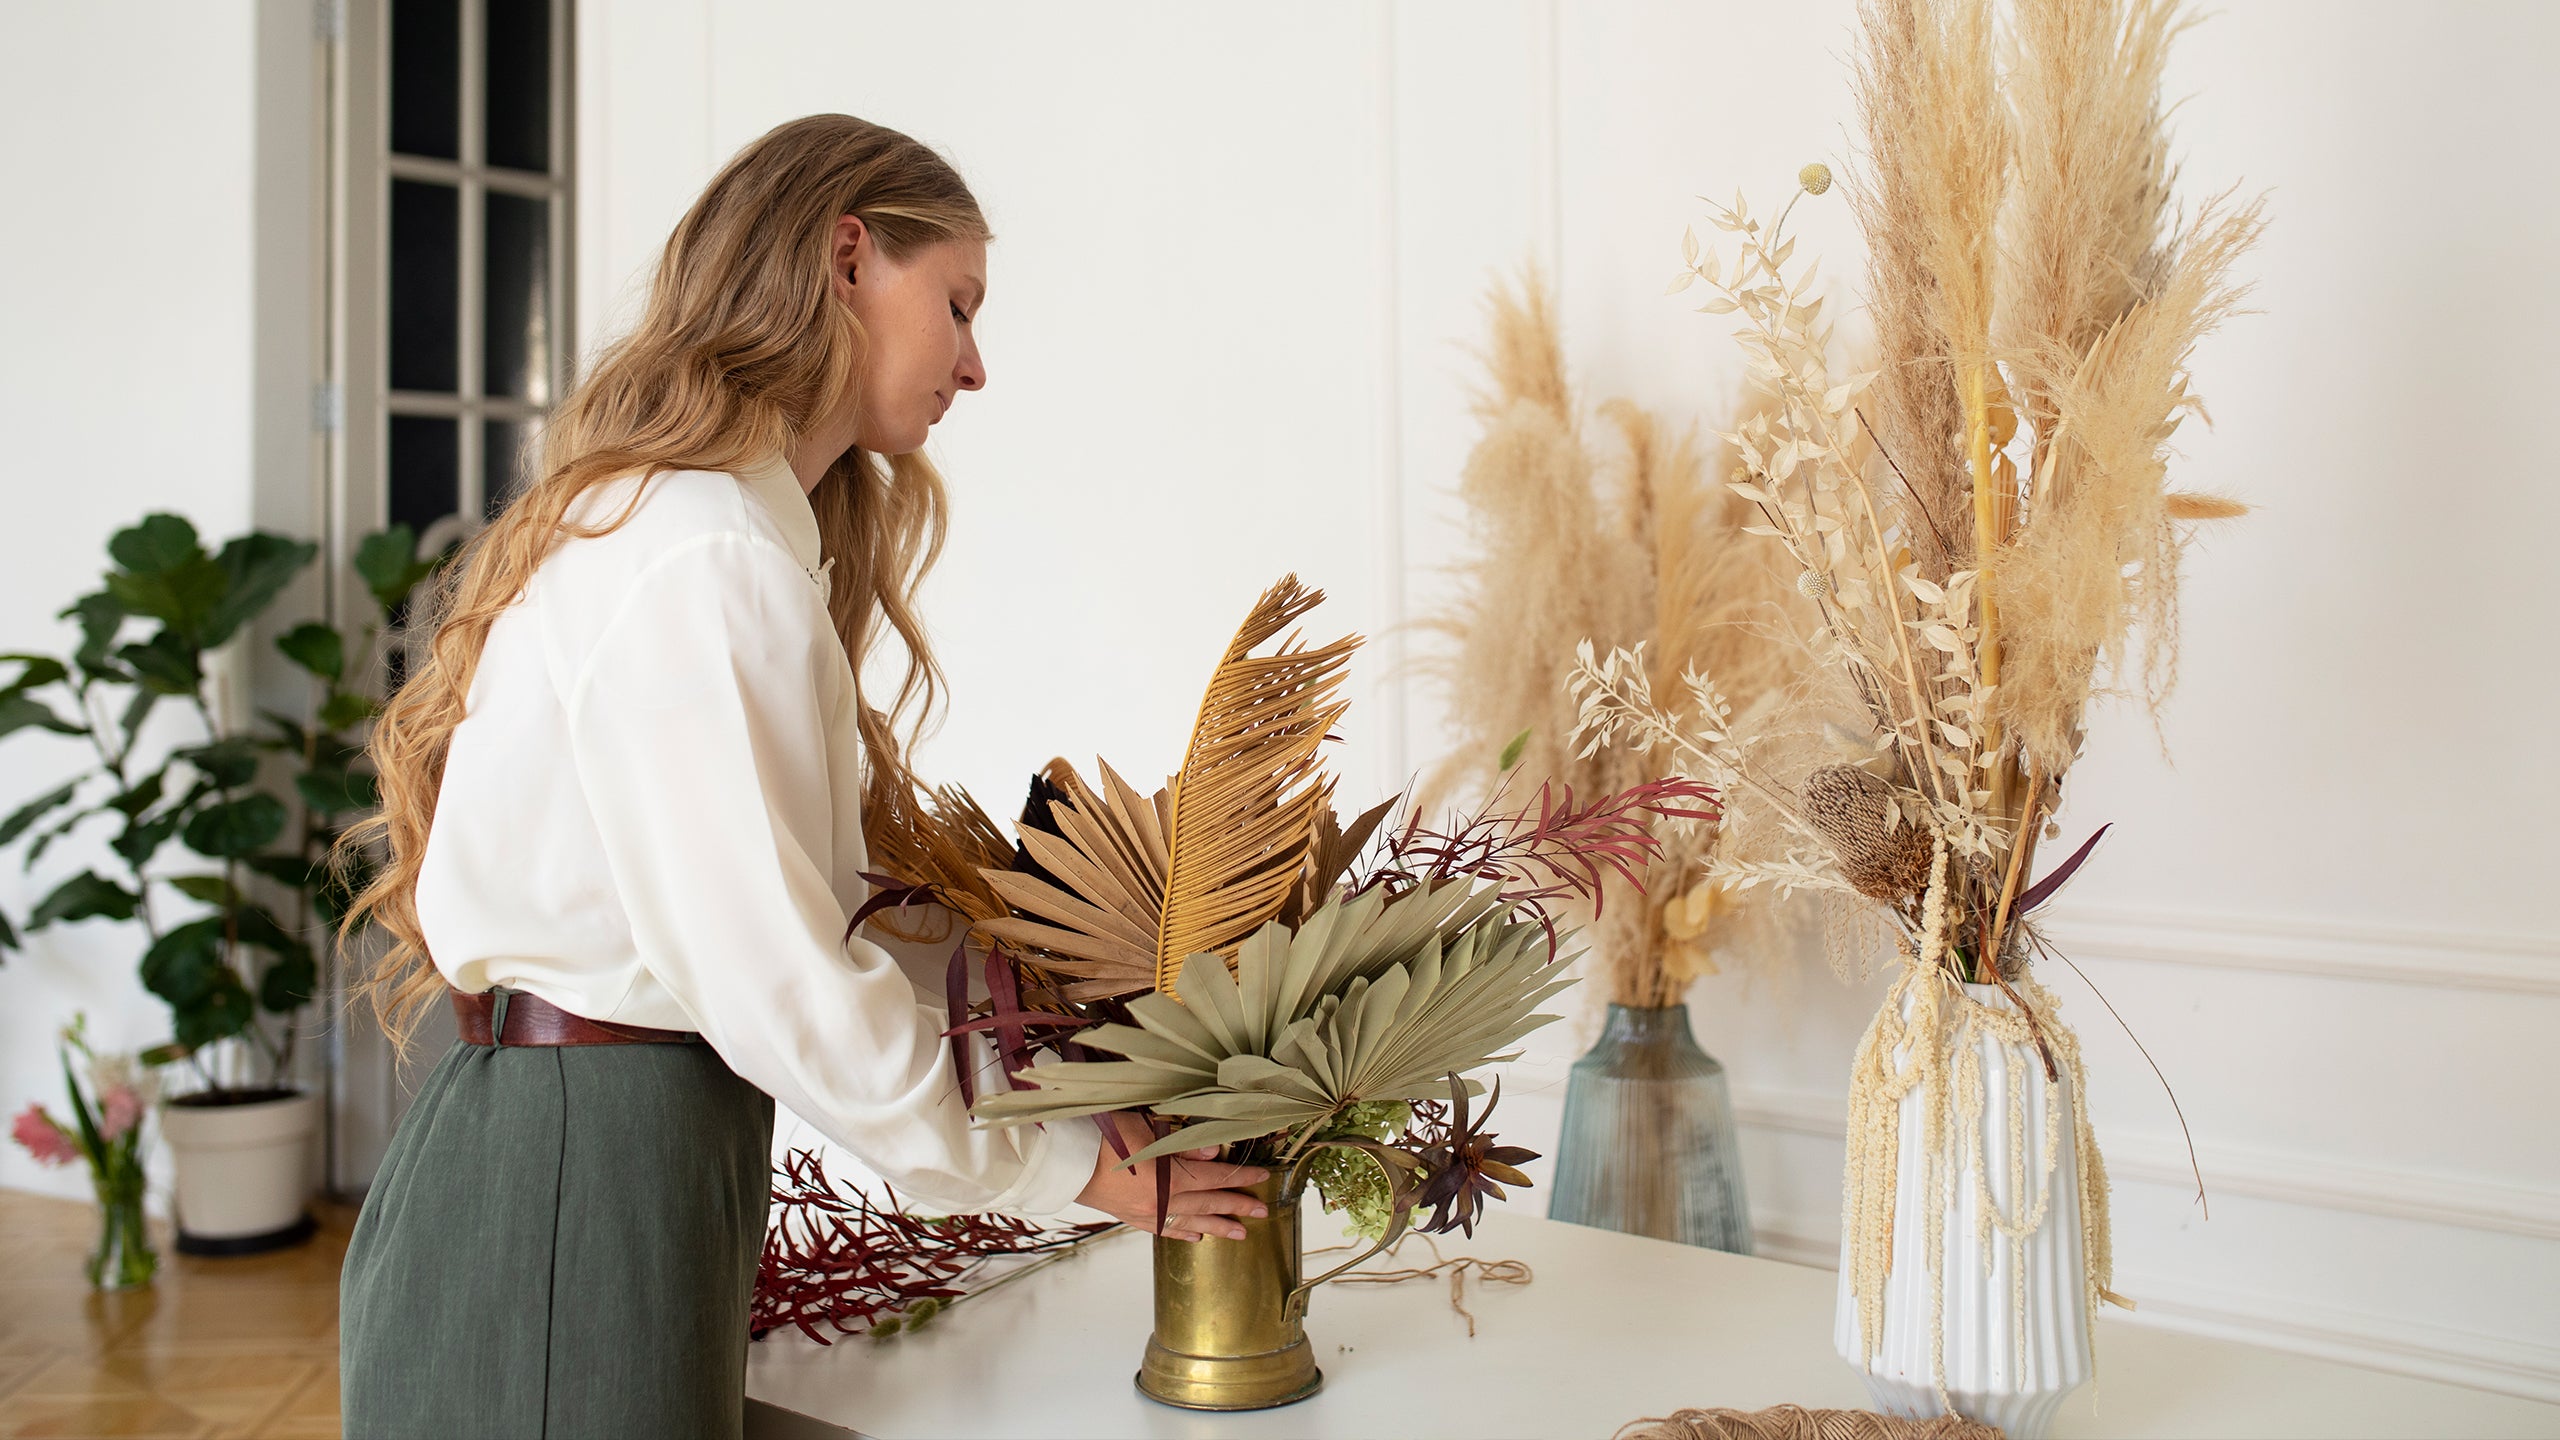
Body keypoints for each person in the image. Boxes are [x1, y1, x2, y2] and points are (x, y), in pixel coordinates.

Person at [335, 113, 1269, 1439]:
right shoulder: (701, 553)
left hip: (618, 1155)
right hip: (573, 1179)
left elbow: (817, 927)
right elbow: (783, 982)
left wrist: (1074, 1045)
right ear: (846, 260)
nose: (976, 364)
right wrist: (1067, 1163)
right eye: (957, 303)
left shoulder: (710, 536)